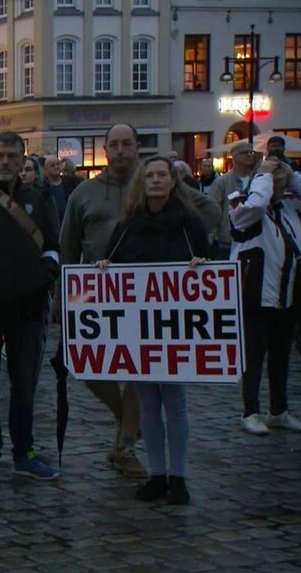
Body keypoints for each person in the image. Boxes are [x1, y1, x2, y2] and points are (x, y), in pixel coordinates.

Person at [98, 156, 211, 505]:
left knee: (174, 400)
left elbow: (207, 264)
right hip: (139, 329)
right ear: (142, 183)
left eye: (163, 175)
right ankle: (157, 473)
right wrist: (104, 268)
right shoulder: (128, 225)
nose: (157, 181)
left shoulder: (189, 223)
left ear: (174, 182)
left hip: (174, 327)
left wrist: (200, 265)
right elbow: (112, 262)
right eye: (151, 176)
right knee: (147, 400)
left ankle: (177, 477)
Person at [0, 132, 61, 484]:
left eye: (12, 156)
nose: (5, 162)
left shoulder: (39, 198)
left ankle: (25, 453)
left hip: (29, 310)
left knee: (24, 385)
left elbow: (53, 244)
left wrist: (45, 275)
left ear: (23, 161)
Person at [59, 124, 148, 479]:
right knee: (89, 367)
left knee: (140, 372)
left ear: (137, 147)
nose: (122, 150)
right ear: (106, 150)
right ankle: (125, 420)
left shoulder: (155, 186)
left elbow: (205, 218)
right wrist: (62, 299)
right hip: (93, 293)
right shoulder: (84, 193)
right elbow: (68, 248)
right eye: (115, 145)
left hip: (146, 295)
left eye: (128, 144)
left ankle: (125, 446)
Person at [229, 157, 301, 435]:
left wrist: (289, 173)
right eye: (275, 180)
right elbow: (256, 204)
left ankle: (278, 410)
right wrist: (264, 175)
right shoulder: (242, 204)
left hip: (286, 294)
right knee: (254, 355)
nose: (279, 185)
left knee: (281, 354)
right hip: (254, 295)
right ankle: (250, 410)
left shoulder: (286, 209)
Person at [208, 142, 257, 259]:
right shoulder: (221, 182)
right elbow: (212, 210)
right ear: (234, 156)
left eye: (251, 152)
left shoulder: (257, 180)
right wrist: (212, 236)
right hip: (227, 241)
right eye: (244, 153)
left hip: (255, 240)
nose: (249, 155)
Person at [43, 157, 80, 225]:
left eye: (58, 164)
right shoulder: (43, 188)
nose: (56, 167)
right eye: (52, 165)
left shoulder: (72, 183)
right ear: (45, 170)